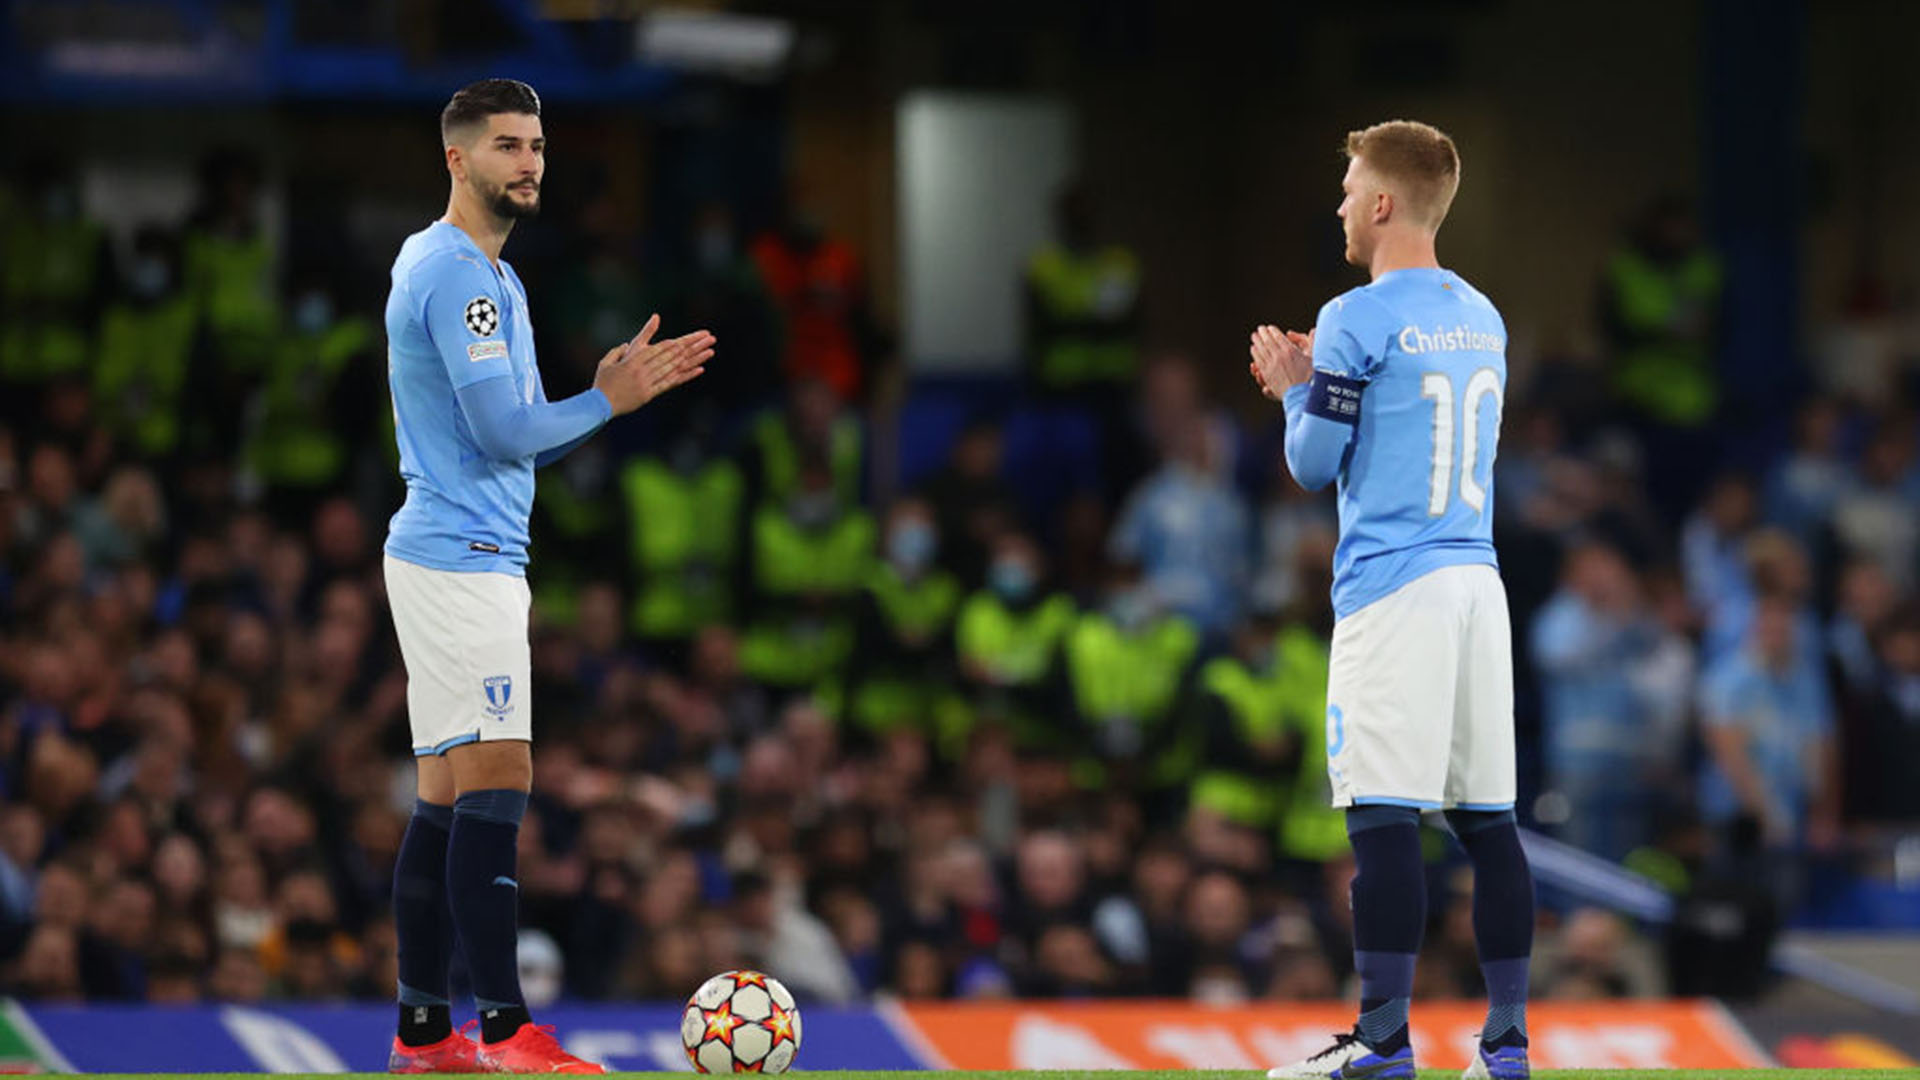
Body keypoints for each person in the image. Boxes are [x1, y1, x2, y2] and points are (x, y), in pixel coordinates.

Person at [382, 78, 714, 1074]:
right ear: (458, 159)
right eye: (506, 146)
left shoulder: (470, 270)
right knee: (497, 781)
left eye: (536, 144)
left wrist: (600, 402)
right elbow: (501, 431)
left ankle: (423, 1037)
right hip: (463, 562)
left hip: (451, 555)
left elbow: (510, 440)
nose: (528, 161)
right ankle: (507, 1032)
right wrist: (605, 401)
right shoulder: (466, 278)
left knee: (445, 796)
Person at [1251, 122, 1533, 1080]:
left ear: (1381, 204)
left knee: (1383, 816)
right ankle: (1505, 1046)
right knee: (1488, 819)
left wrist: (1296, 388)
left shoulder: (1352, 315)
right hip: (1477, 583)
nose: (1337, 207)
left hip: (1394, 586)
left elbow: (1312, 464)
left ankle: (1380, 1041)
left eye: (1346, 190)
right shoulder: (1483, 313)